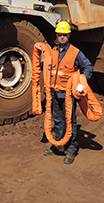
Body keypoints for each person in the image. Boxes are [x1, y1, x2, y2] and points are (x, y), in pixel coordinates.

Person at [42, 19, 94, 164]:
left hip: (68, 95)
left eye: (65, 34)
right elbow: (45, 67)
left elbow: (88, 67)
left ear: (69, 35)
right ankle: (59, 145)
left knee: (69, 121)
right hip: (54, 93)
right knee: (58, 120)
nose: (62, 37)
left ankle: (71, 149)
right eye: (59, 34)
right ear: (56, 36)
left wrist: (80, 84)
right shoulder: (51, 52)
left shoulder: (75, 53)